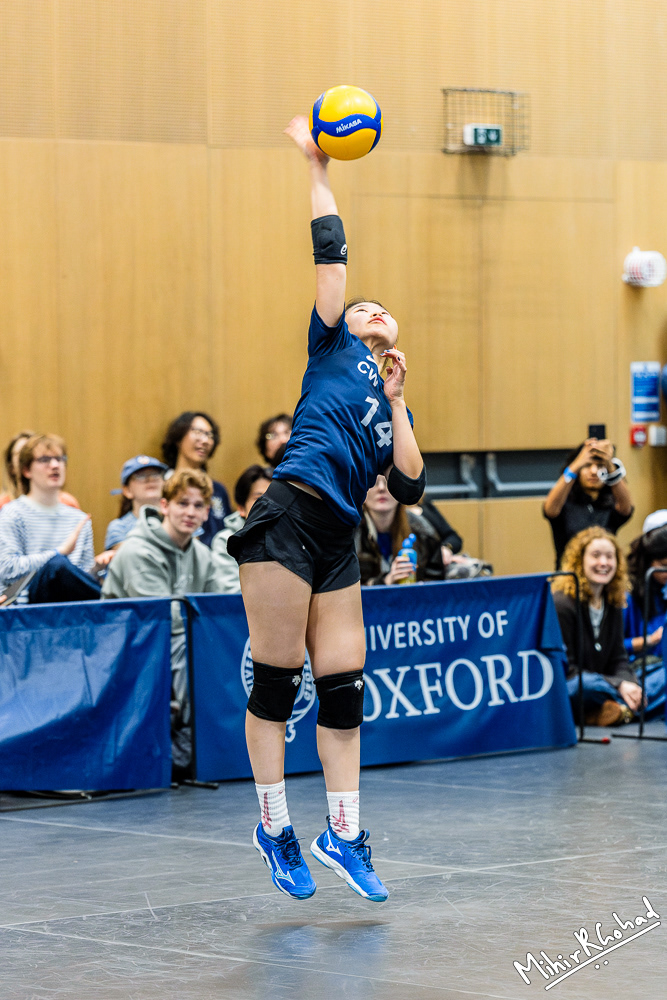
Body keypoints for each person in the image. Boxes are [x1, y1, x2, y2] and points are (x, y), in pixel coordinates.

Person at [226, 115, 425, 903]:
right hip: (287, 516)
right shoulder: (330, 345)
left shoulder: (386, 396)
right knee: (277, 683)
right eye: (364, 308)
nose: (373, 311)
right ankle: (274, 829)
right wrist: (317, 169)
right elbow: (331, 252)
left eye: (382, 311)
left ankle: (342, 836)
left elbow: (406, 486)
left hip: (339, 537)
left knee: (344, 691)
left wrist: (402, 402)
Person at [102, 469, 227, 777]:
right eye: (182, 503)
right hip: (127, 646)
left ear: (207, 513)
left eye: (198, 506)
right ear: (164, 505)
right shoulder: (137, 550)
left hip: (172, 640)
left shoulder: (201, 553)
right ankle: (188, 741)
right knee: (189, 648)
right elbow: (163, 620)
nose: (190, 512)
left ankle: (222, 738)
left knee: (218, 646)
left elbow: (218, 608)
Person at [551, 526, 643, 726]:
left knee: (658, 677)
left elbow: (619, 659)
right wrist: (619, 685)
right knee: (587, 686)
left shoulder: (615, 601)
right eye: (596, 556)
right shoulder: (562, 603)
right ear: (579, 561)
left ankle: (613, 711)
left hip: (606, 683)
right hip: (575, 685)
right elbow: (567, 670)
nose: (604, 563)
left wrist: (630, 683)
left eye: (610, 557)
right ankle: (627, 709)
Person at [0, 434, 102, 603]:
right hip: (28, 608)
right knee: (57, 565)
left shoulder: (79, 519)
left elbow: (81, 579)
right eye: (45, 460)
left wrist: (96, 569)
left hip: (72, 608)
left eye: (60, 459)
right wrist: (58, 553)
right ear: (26, 470)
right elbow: (8, 569)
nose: (55, 465)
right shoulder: (11, 514)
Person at [543, 437, 633, 567]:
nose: (594, 471)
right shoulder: (565, 503)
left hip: (602, 574)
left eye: (600, 466)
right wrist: (577, 463)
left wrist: (609, 465)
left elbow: (626, 509)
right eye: (587, 466)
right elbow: (550, 509)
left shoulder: (610, 504)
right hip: (569, 576)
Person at [356, 473, 445, 585]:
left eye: (388, 482)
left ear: (401, 492)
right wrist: (385, 581)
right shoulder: (350, 533)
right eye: (373, 483)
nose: (382, 488)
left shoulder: (422, 529)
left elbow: (436, 580)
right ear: (362, 493)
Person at [161, 411, 231, 547]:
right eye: (198, 432)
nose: (205, 441)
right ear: (178, 437)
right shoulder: (162, 485)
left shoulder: (218, 490)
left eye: (209, 435)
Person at [622, 511, 667, 715]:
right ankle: (625, 709)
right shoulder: (627, 595)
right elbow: (610, 650)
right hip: (638, 671)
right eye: (664, 566)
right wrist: (649, 640)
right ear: (649, 561)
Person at [211, 465, 273, 593]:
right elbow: (231, 591)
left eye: (273, 498)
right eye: (259, 498)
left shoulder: (290, 538)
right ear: (241, 508)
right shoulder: (224, 540)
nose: (268, 505)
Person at [1, 430, 80, 511]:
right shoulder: (5, 508)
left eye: (58, 459)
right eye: (44, 459)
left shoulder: (68, 503)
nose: (54, 465)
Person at [104, 455, 168, 549]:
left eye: (155, 474)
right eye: (140, 476)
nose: (150, 479)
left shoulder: (177, 518)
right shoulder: (119, 527)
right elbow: (129, 558)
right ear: (127, 491)